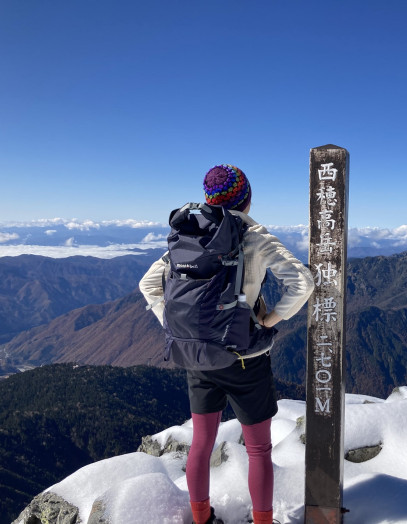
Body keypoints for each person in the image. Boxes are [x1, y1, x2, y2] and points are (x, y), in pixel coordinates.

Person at [139, 164, 314, 524]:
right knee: (259, 449)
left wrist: (176, 326)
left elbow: (148, 286)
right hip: (244, 358)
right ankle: (263, 521)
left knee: (201, 445)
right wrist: (269, 319)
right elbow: (302, 283)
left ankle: (202, 518)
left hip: (197, 357)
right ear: (247, 199)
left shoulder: (189, 235)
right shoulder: (254, 236)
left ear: (208, 200)